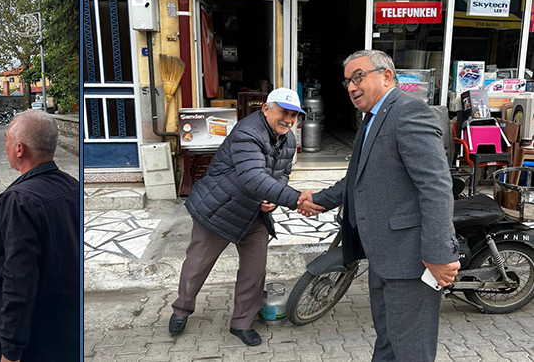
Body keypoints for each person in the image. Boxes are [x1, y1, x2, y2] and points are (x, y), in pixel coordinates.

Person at [303, 50, 459, 362]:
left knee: (411, 350)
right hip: (382, 254)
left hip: (411, 261)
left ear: (386, 75)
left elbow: (437, 187)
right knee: (388, 341)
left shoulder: (409, 112)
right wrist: (319, 200)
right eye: (347, 80)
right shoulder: (373, 118)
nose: (351, 87)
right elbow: (359, 179)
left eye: (358, 76)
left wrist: (439, 254)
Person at [169, 88, 323, 346]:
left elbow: (282, 174)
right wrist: (295, 199)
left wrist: (272, 200)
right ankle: (181, 309)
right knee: (197, 266)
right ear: (266, 108)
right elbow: (253, 178)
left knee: (254, 271)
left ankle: (241, 323)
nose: (289, 119)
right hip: (220, 209)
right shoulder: (247, 132)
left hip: (254, 214)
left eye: (294, 115)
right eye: (284, 112)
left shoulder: (287, 138)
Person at [0, 110, 80, 362]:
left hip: (35, 341)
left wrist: (10, 350)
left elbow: (18, 282)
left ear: (19, 149)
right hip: (67, 330)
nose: (6, 146)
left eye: (6, 140)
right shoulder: (72, 186)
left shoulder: (19, 202)